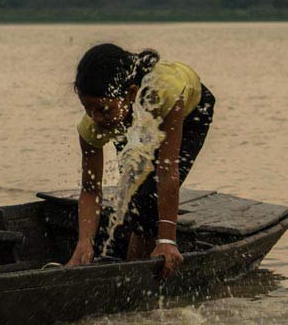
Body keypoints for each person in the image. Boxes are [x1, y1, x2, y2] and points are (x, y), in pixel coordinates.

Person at [65, 43, 215, 278]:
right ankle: (132, 256)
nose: (96, 118)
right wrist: (84, 243)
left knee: (147, 197)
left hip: (189, 112)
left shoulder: (165, 94)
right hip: (132, 118)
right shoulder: (95, 125)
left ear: (131, 93)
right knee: (132, 190)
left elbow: (167, 169)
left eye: (103, 110)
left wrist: (167, 239)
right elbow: (90, 189)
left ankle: (135, 273)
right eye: (88, 109)